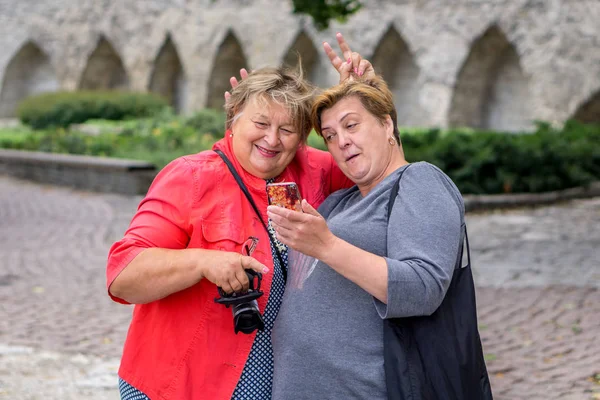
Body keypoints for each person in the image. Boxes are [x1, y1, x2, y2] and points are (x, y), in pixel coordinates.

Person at [106, 35, 374, 399]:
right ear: (233, 119)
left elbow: (384, 172)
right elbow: (123, 276)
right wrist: (203, 261)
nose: (272, 139)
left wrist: (367, 98)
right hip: (180, 383)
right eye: (260, 122)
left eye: (286, 129)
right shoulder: (190, 177)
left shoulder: (315, 170)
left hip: (274, 383)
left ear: (301, 139)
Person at [267, 75, 491, 398]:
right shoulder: (337, 202)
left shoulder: (419, 181)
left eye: (351, 125)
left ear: (387, 125)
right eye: (329, 135)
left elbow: (422, 287)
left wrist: (327, 246)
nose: (340, 141)